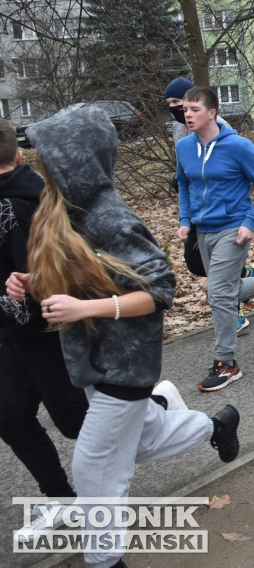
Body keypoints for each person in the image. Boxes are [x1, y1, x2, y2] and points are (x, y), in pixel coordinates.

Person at [10, 106, 239, 568]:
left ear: (77, 160)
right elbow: (96, 277)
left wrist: (84, 308)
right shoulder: (68, 212)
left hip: (125, 363)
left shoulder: (109, 217)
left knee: (95, 470)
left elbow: (160, 289)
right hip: (93, 359)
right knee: (145, 442)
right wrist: (39, 283)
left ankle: (105, 562)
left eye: (51, 158)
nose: (40, 166)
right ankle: (215, 424)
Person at [0, 119, 88, 544]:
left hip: (42, 334)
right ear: (17, 154)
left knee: (78, 422)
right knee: (10, 417)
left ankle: (170, 416)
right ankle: (63, 500)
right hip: (9, 337)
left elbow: (36, 280)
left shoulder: (19, 206)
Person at [175, 86, 254, 392]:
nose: (187, 114)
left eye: (194, 109)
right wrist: (185, 221)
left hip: (233, 228)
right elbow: (185, 186)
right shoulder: (184, 147)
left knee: (218, 295)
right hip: (203, 232)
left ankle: (226, 363)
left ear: (212, 113)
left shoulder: (238, 146)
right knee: (227, 290)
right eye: (185, 109)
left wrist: (250, 222)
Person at [166, 77, 254, 333]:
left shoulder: (223, 130)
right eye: (174, 106)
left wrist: (248, 220)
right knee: (197, 266)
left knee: (219, 289)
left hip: (229, 218)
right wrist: (185, 216)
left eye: (180, 103)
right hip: (199, 214)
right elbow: (186, 174)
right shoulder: (180, 134)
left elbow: (238, 169)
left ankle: (228, 343)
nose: (177, 110)